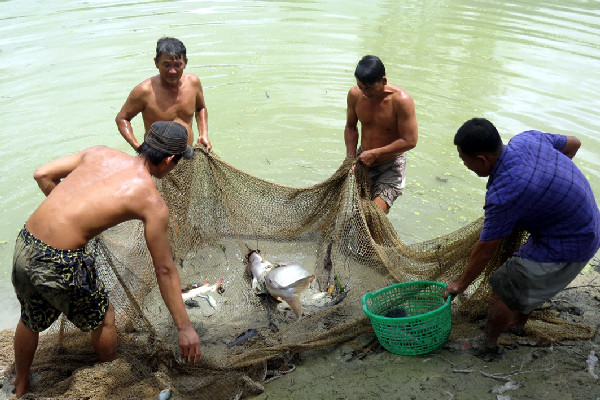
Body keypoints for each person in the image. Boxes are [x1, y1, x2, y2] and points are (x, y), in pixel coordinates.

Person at [12, 121, 202, 397]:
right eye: (177, 162)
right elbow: (164, 269)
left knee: (30, 318)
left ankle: (20, 384)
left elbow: (42, 174)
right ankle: (110, 379)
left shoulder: (99, 152)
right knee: (105, 318)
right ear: (170, 159)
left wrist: (73, 218)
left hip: (26, 243)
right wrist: (185, 328)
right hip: (59, 260)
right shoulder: (151, 200)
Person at [444, 117, 600, 358]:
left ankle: (488, 345)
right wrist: (548, 188)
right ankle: (516, 325)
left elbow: (486, 249)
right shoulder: (528, 139)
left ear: (482, 159)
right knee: (524, 275)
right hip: (587, 220)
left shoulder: (505, 194)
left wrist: (461, 284)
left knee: (505, 284)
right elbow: (574, 143)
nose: (464, 165)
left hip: (573, 241)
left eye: (464, 160)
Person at [344, 55, 418, 213]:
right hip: (363, 161)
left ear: (383, 81)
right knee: (355, 213)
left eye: (369, 88)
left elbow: (410, 140)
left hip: (391, 166)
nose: (364, 92)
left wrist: (376, 153)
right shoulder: (355, 95)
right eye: (361, 86)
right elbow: (351, 127)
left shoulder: (401, 101)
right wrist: (350, 158)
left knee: (373, 216)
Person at [116, 37, 211, 152]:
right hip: (156, 159)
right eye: (166, 65)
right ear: (156, 63)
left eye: (177, 65)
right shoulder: (144, 91)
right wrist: (138, 147)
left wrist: (203, 134)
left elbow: (201, 108)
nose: (172, 71)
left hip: (186, 154)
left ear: (185, 63)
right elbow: (122, 118)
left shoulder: (193, 83)